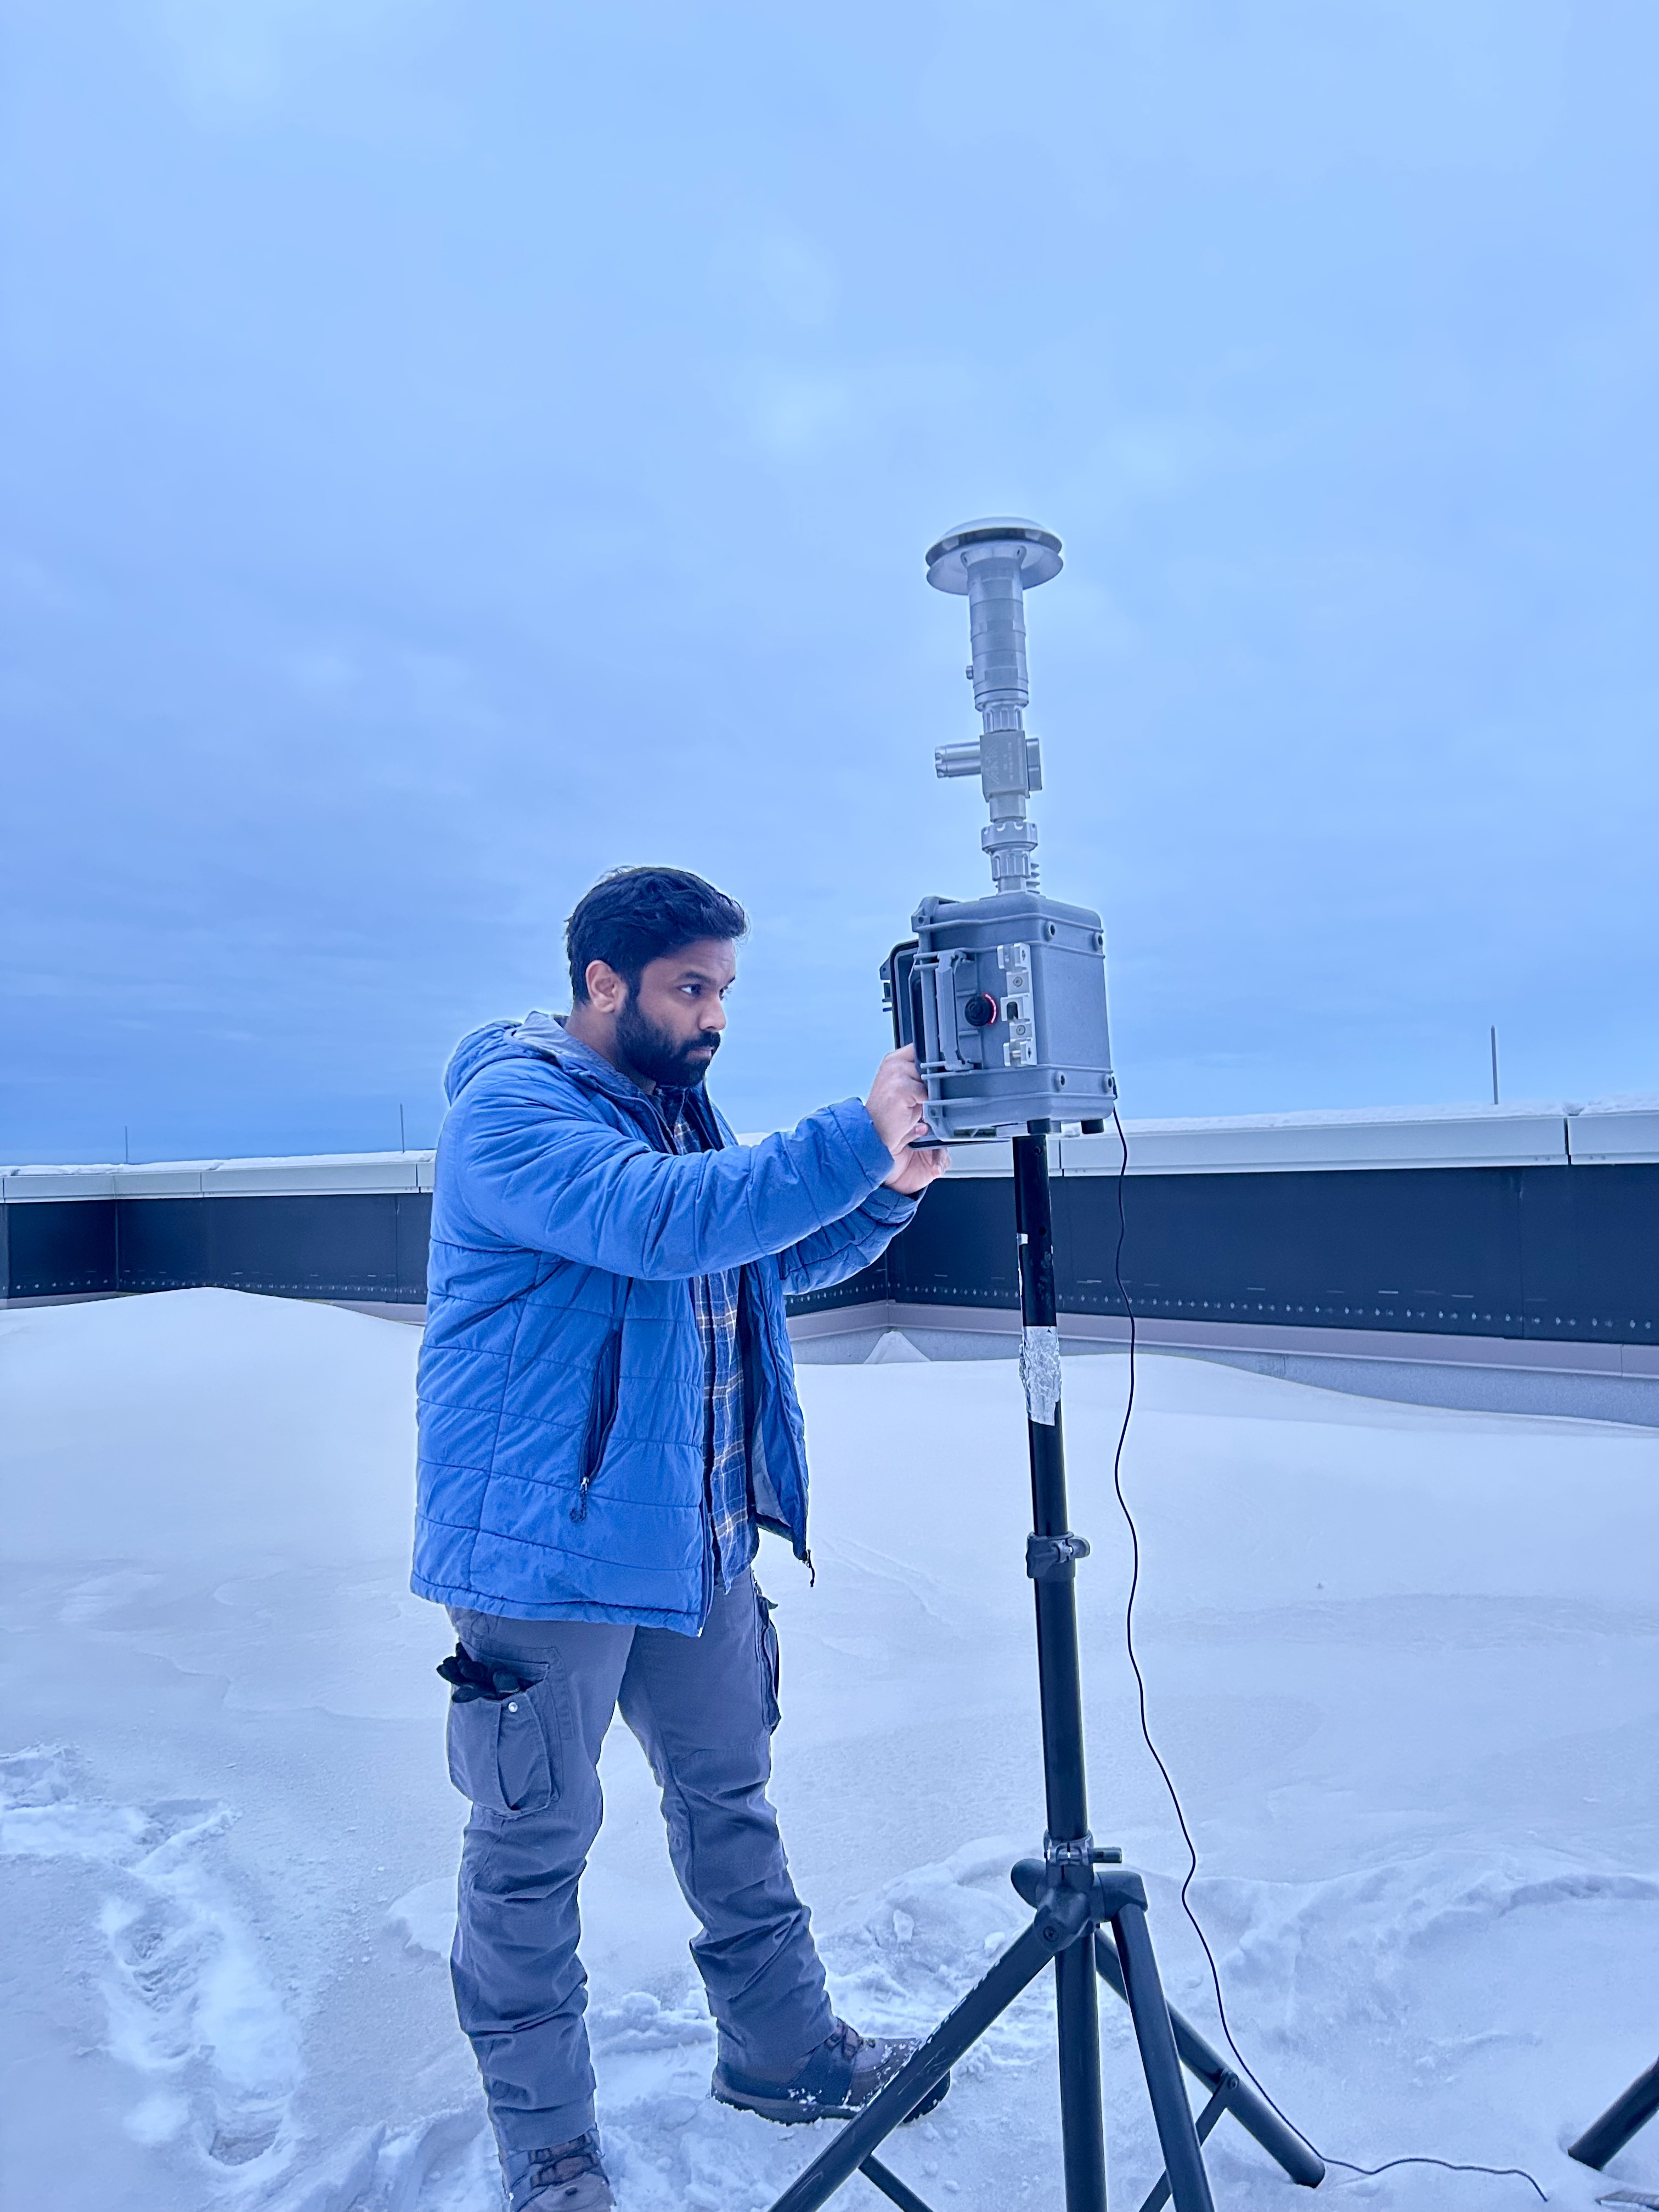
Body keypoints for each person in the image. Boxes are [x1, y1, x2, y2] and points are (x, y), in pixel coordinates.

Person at [413, 866, 950, 2212]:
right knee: (532, 1848)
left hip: (693, 1539)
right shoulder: (515, 1112)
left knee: (732, 1802)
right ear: (604, 982)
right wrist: (846, 1134)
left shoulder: (670, 1104)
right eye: (690, 989)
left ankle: (785, 2055)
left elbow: (743, 1262)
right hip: (547, 1554)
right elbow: (662, 1226)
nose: (715, 1018)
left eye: (725, 990)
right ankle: (549, 2147)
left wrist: (884, 1190)